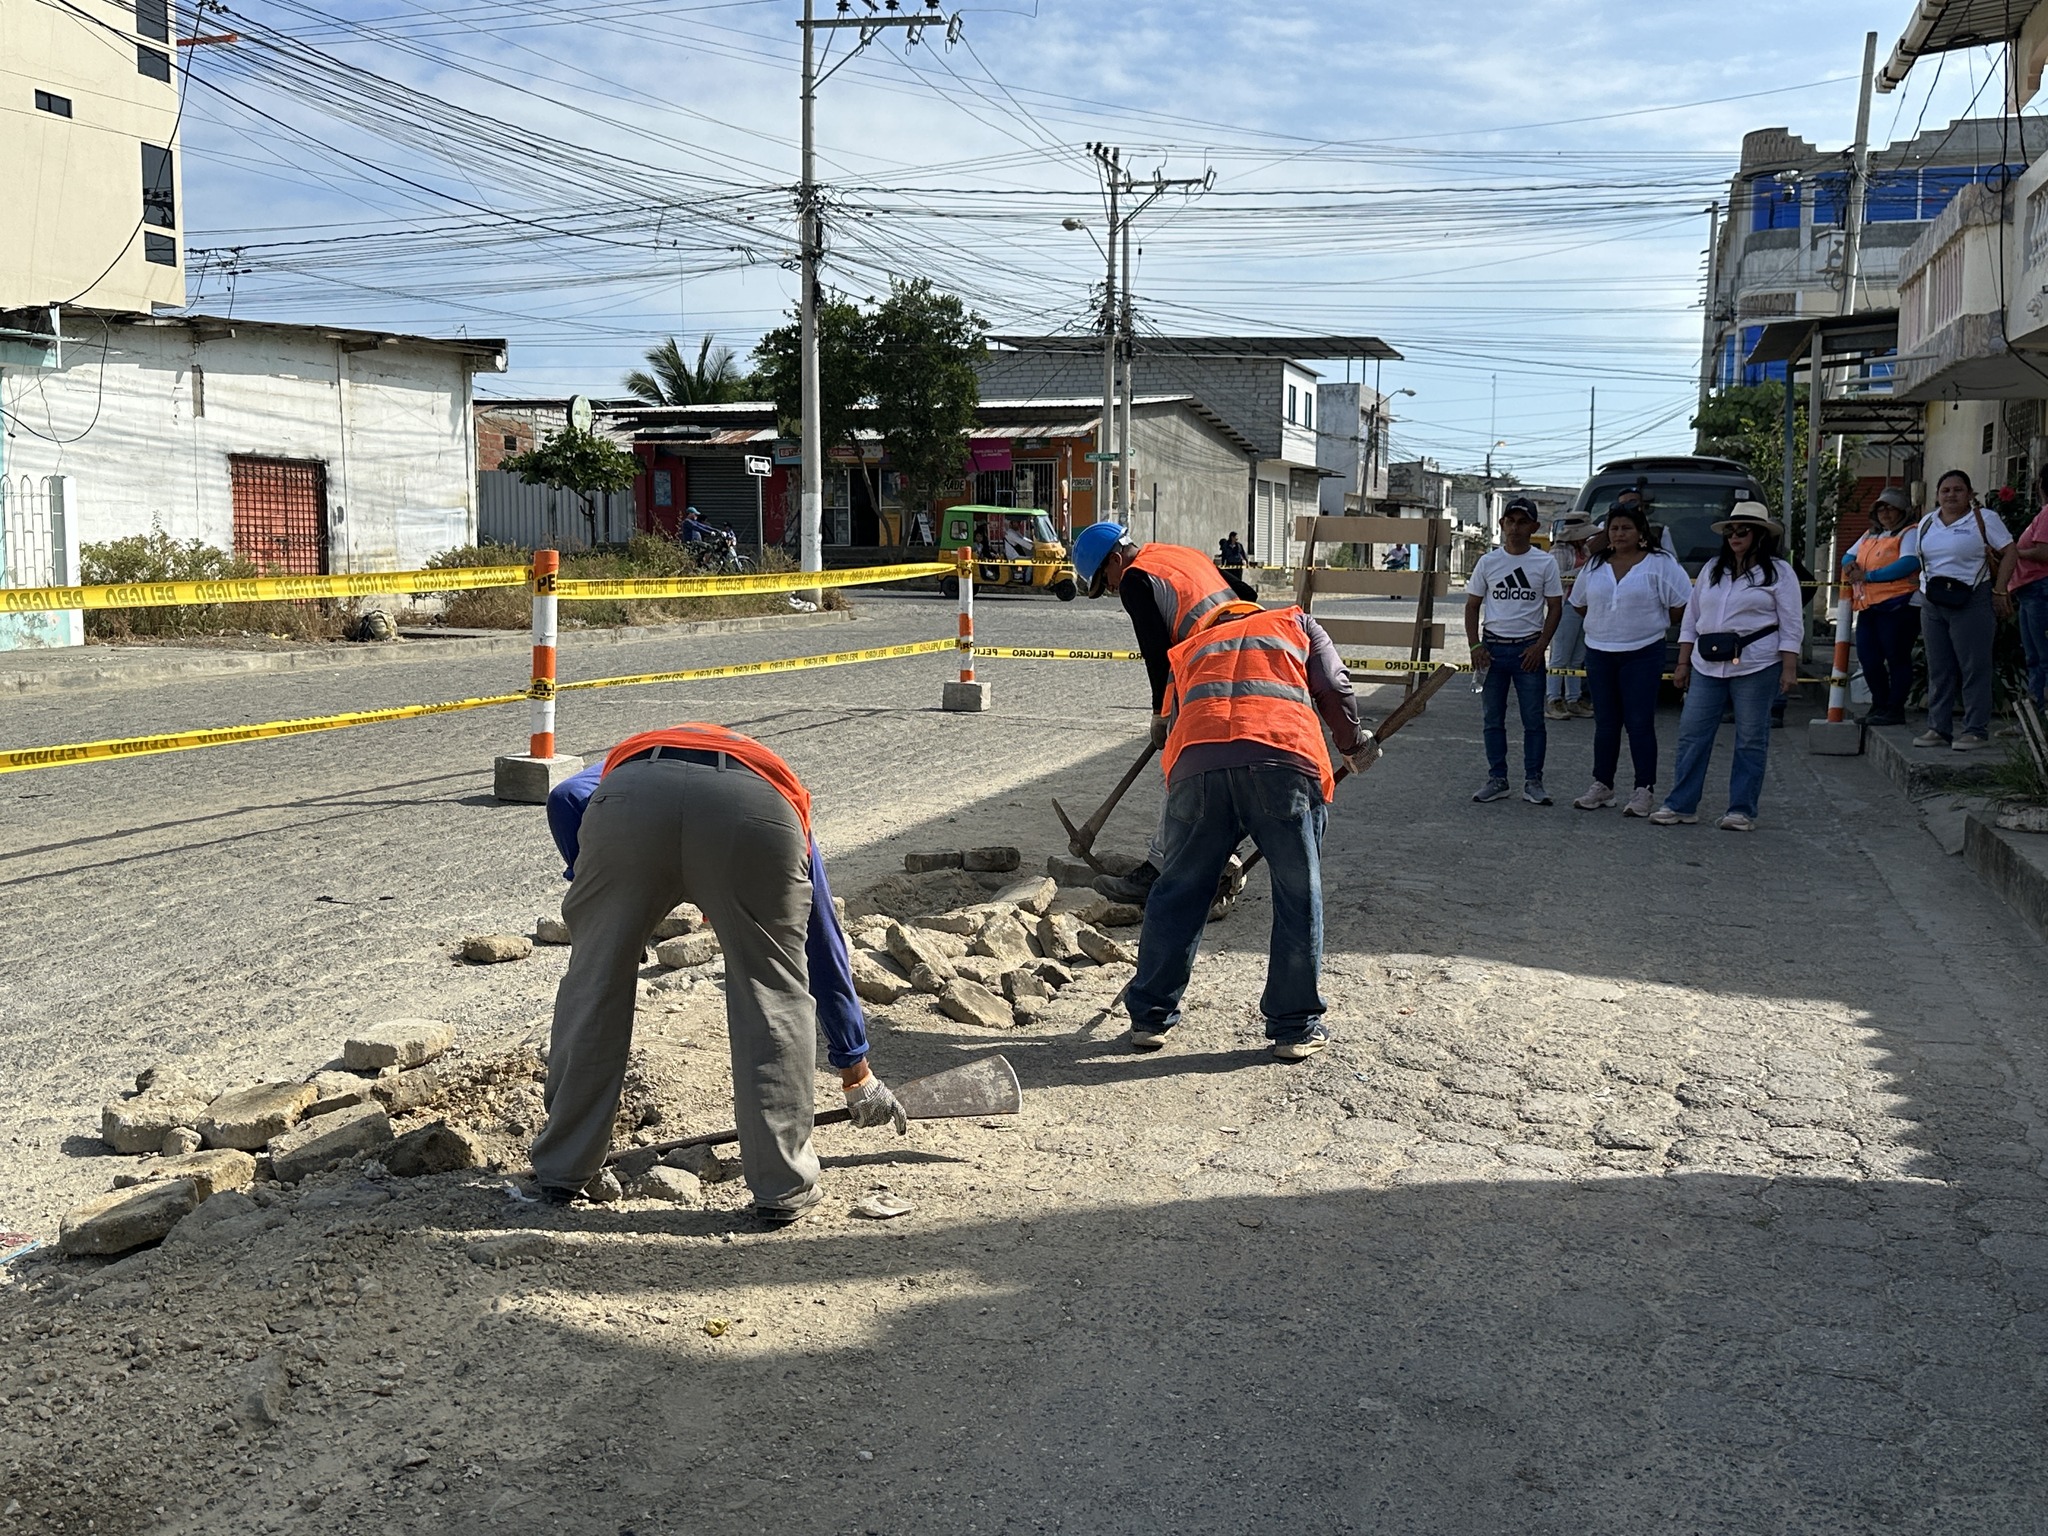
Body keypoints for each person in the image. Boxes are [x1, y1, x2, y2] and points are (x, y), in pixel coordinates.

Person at [537, 724, 907, 1224]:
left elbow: (565, 797)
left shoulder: (625, 760)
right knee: (774, 993)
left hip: (630, 801)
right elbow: (821, 938)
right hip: (752, 815)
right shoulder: (774, 784)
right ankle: (782, 1188)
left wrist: (608, 904)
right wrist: (854, 1065)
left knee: (594, 982)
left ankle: (561, 1173)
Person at [1123, 599, 1373, 1060]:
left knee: (1177, 891)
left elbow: (1170, 725)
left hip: (1197, 771)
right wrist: (1354, 744)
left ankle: (1150, 1018)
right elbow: (1334, 685)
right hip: (1282, 761)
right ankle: (1294, 1028)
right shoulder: (1296, 624)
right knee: (1297, 894)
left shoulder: (1190, 646)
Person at [1069, 522, 1261, 904]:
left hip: (1215, 666)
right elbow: (1248, 595)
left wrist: (1161, 715)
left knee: (1183, 766)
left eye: (1105, 581)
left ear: (1115, 559)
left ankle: (1157, 870)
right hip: (1256, 650)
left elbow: (1156, 655)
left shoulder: (1134, 578)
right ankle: (1221, 857)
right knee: (1226, 763)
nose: (1111, 589)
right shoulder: (1179, 555)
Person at [1650, 503, 1804, 832]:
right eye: (1730, 531)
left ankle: (1741, 810)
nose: (1735, 536)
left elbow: (1792, 622)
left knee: (1750, 737)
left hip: (1757, 664)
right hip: (1706, 664)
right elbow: (1692, 618)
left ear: (1760, 535)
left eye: (1743, 530)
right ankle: (1681, 804)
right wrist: (1682, 662)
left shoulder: (1779, 572)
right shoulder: (1712, 569)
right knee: (1692, 734)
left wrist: (1789, 667)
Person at [1570, 504, 1691, 816]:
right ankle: (1603, 784)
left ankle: (1643, 789)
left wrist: (1652, 623)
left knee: (1639, 722)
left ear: (1640, 532)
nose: (1619, 534)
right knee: (1606, 723)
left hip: (1643, 653)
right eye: (1614, 528)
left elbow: (1681, 604)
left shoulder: (1660, 563)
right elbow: (1579, 603)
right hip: (1599, 652)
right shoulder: (1595, 565)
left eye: (1626, 528)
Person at [1464, 496, 1564, 805]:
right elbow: (1472, 606)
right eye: (1510, 521)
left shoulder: (1545, 563)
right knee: (1492, 719)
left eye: (1523, 522)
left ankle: (1533, 781)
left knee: (1533, 721)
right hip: (1492, 650)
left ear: (1534, 527)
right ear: (1502, 524)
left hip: (1527, 651)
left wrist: (1541, 646)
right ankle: (1498, 779)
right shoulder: (1488, 562)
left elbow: (1555, 607)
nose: (1515, 528)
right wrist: (1475, 645)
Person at [1913, 469, 2017, 752]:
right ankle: (1938, 728)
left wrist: (2000, 589)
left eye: (1958, 490)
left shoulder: (1984, 519)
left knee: (1974, 667)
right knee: (1939, 668)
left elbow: (2010, 551)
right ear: (1937, 495)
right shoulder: (1927, 523)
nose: (1951, 495)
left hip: (1971, 600)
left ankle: (1975, 731)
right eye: (1945, 490)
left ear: (1969, 494)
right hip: (1933, 601)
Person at [1840, 486, 1924, 727]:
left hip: (1899, 605)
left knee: (1897, 657)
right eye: (1881, 509)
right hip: (1870, 605)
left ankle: (1894, 709)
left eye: (1891, 508)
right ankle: (1879, 704)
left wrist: (1869, 576)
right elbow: (1848, 555)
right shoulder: (1871, 534)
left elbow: (1909, 563)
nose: (1885, 513)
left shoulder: (1909, 533)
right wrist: (1850, 566)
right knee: (1868, 658)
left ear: (1903, 511)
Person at [1545, 519, 1597, 720]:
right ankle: (1553, 699)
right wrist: (1584, 572)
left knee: (1576, 658)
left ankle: (1573, 699)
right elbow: (1557, 578)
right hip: (1565, 605)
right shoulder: (1558, 552)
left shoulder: (1584, 550)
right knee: (1560, 656)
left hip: (1584, 606)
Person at [2011, 469, 2048, 709]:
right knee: (2034, 655)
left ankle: (2041, 711)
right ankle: (2036, 712)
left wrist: (2014, 553)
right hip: (2029, 591)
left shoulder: (2047, 514)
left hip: (2039, 589)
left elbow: (2044, 553)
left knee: (2042, 656)